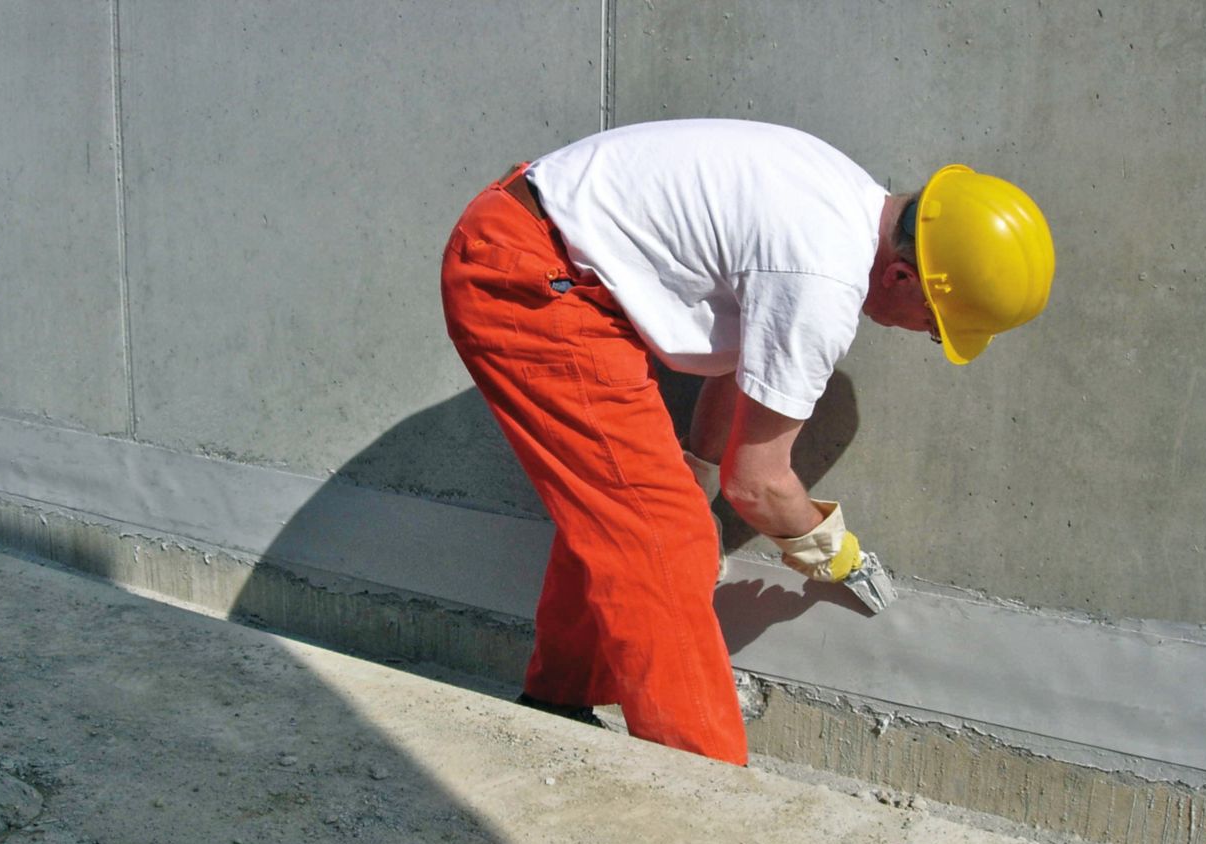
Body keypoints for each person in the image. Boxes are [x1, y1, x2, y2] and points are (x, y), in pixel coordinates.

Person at [441, 119, 1054, 766]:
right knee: (667, 538)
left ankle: (558, 705)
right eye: (935, 325)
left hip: (548, 257)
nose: (924, 336)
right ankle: (708, 798)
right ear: (903, 277)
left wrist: (697, 474)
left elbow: (744, 378)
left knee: (623, 510)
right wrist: (832, 551)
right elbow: (759, 482)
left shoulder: (841, 196)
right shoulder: (824, 279)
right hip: (527, 277)